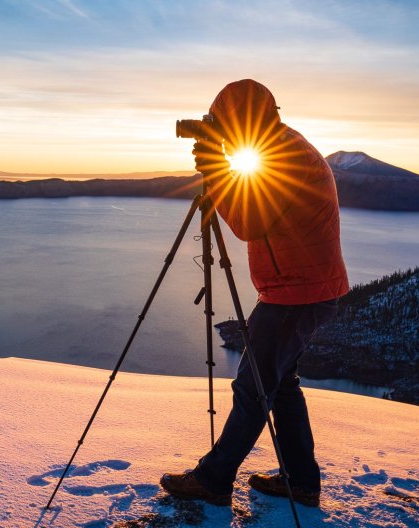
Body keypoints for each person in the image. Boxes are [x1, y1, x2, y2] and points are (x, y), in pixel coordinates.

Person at [160, 79, 349, 507]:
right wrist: (223, 175)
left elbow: (250, 221)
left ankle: (214, 479)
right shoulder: (280, 146)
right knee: (280, 387)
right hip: (303, 288)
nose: (222, 134)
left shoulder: (285, 156)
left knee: (253, 388)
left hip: (295, 294)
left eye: (223, 125)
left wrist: (216, 169)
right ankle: (300, 480)